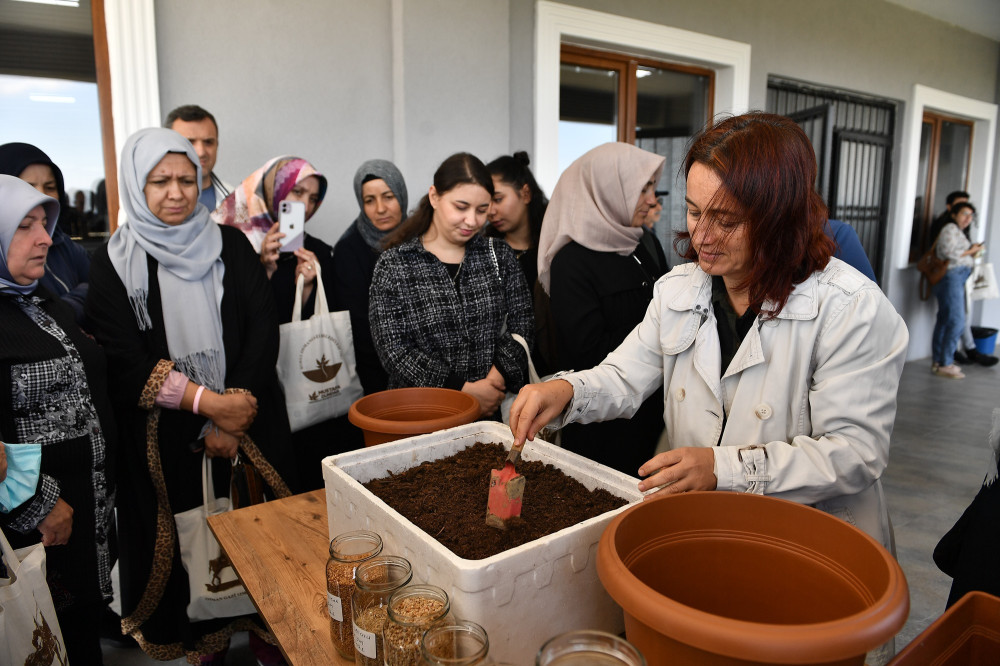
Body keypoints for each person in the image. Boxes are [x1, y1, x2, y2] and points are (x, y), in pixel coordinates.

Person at [510, 112, 909, 555]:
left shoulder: (850, 308)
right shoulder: (681, 289)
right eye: (695, 211)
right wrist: (567, 389)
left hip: (806, 541)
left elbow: (855, 453)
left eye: (726, 220)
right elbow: (625, 376)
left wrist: (723, 469)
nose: (702, 236)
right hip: (706, 527)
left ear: (780, 218)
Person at [85, 128, 293, 663]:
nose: (176, 193)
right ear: (137, 184)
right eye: (160, 181)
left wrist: (233, 412)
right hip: (169, 443)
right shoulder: (113, 261)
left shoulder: (229, 243)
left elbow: (261, 328)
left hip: (247, 428)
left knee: (270, 558)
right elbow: (125, 360)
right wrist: (208, 406)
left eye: (186, 180)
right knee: (193, 566)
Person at [0, 175, 116, 664]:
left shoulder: (40, 303)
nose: (45, 237)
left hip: (79, 526)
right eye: (25, 227)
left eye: (44, 224)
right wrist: (40, 504)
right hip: (33, 533)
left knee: (80, 641)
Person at [214, 156, 362, 490]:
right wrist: (264, 268)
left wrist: (308, 287)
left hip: (315, 396)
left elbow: (334, 321)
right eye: (296, 192)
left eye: (313, 198)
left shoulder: (320, 252)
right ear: (273, 191)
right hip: (262, 391)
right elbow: (236, 322)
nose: (305, 205)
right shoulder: (236, 248)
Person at [535, 142, 668, 475]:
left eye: (652, 187)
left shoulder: (639, 242)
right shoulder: (571, 261)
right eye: (643, 188)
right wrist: (661, 341)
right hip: (605, 427)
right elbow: (588, 353)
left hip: (653, 415)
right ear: (609, 190)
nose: (652, 199)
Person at [369, 152, 534, 418]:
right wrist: (463, 390)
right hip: (424, 415)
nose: (472, 221)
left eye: (482, 210)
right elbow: (394, 350)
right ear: (434, 197)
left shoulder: (499, 255)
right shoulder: (395, 265)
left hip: (494, 411)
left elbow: (523, 324)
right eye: (461, 207)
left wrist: (495, 380)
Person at [332, 159, 408, 395]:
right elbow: (358, 327)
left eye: (388, 196)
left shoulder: (423, 236)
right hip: (375, 373)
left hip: (431, 368)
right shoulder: (349, 249)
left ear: (401, 195)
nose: (381, 209)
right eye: (369, 201)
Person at [0, 142, 91, 324]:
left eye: (50, 187)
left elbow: (100, 284)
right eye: (27, 186)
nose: (42, 195)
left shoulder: (65, 244)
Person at [930, 201, 983, 379]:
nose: (968, 218)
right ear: (954, 214)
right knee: (957, 320)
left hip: (956, 278)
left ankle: (940, 361)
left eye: (971, 215)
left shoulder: (957, 231)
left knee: (945, 319)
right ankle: (945, 362)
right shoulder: (950, 228)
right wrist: (972, 251)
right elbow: (948, 252)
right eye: (964, 214)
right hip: (951, 277)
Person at [485, 151, 548, 290]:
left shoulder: (552, 250)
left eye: (497, 199)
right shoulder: (484, 251)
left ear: (526, 194)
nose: (490, 211)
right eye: (485, 203)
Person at [165, 104, 232, 210]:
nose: (201, 152)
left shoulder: (236, 200)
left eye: (208, 142)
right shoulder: (151, 203)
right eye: (189, 142)